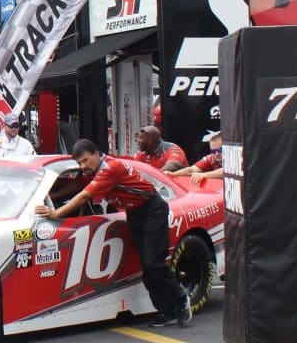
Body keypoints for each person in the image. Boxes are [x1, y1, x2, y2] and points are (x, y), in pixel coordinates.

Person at [37, 139, 191, 328]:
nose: (83, 166)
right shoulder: (92, 171)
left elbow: (84, 195)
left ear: (96, 154)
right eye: (79, 163)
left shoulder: (110, 168)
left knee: (154, 263)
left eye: (86, 160)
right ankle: (167, 311)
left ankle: (182, 299)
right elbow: (76, 185)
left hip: (153, 210)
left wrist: (56, 214)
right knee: (147, 268)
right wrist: (49, 196)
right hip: (134, 214)